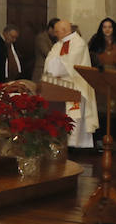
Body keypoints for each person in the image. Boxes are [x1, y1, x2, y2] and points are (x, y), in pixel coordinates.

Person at [42, 19, 98, 149]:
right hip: (59, 87)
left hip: (76, 86)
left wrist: (57, 64)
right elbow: (49, 61)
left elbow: (70, 64)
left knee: (74, 117)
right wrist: (56, 65)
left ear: (64, 30)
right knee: (61, 115)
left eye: (57, 31)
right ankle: (60, 144)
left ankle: (74, 145)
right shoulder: (58, 44)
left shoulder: (78, 43)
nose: (55, 34)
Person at [88, 17, 116, 147]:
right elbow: (90, 57)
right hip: (100, 78)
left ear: (113, 28)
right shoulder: (95, 41)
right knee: (101, 108)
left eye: (109, 27)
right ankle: (100, 138)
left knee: (114, 109)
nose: (107, 29)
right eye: (104, 27)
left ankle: (112, 138)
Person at [30, 18, 57, 83]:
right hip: (41, 70)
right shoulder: (41, 37)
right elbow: (47, 53)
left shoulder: (55, 39)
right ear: (50, 29)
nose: (56, 34)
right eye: (55, 31)